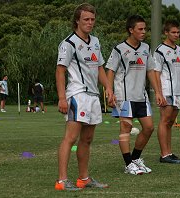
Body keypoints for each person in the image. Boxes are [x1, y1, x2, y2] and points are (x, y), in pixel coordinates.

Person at [55, 3, 114, 191]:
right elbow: (60, 71)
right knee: (70, 138)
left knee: (87, 139)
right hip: (77, 95)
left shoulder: (95, 41)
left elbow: (99, 68)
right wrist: (62, 98)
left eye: (92, 19)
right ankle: (62, 181)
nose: (90, 23)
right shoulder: (68, 43)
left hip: (93, 96)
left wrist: (109, 89)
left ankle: (84, 178)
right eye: (86, 19)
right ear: (77, 21)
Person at [106, 15, 165, 175]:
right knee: (126, 128)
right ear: (131, 30)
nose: (144, 32)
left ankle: (135, 159)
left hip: (141, 96)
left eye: (145, 29)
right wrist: (109, 91)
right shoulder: (119, 49)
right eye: (140, 29)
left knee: (149, 127)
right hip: (124, 96)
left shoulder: (145, 48)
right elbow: (110, 70)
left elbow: (151, 70)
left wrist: (158, 92)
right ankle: (128, 164)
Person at [153, 20, 180, 164]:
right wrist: (158, 92)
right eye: (173, 32)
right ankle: (164, 154)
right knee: (164, 121)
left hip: (178, 91)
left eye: (178, 32)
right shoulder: (160, 50)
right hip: (166, 90)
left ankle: (170, 152)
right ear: (166, 33)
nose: (176, 35)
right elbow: (156, 72)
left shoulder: (179, 50)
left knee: (171, 122)